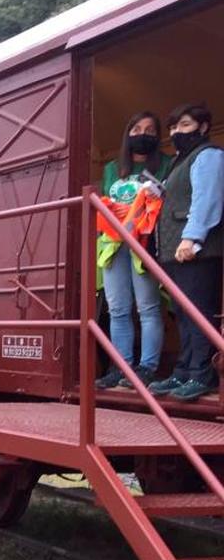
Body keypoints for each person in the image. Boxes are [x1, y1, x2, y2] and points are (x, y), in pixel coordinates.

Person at [151, 102, 224, 402]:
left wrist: (192, 238)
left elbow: (208, 199)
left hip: (197, 250)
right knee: (182, 313)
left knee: (198, 313)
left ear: (203, 126)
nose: (175, 132)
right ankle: (184, 370)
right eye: (173, 127)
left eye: (183, 125)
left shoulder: (208, 156)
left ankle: (201, 374)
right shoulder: (182, 161)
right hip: (176, 251)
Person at [95, 111, 173, 391]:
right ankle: (121, 367)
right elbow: (105, 204)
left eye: (150, 130)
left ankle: (147, 368)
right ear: (128, 134)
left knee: (149, 308)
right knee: (117, 309)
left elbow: (169, 200)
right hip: (114, 245)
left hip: (146, 244)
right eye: (137, 128)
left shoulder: (166, 163)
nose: (143, 134)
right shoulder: (112, 169)